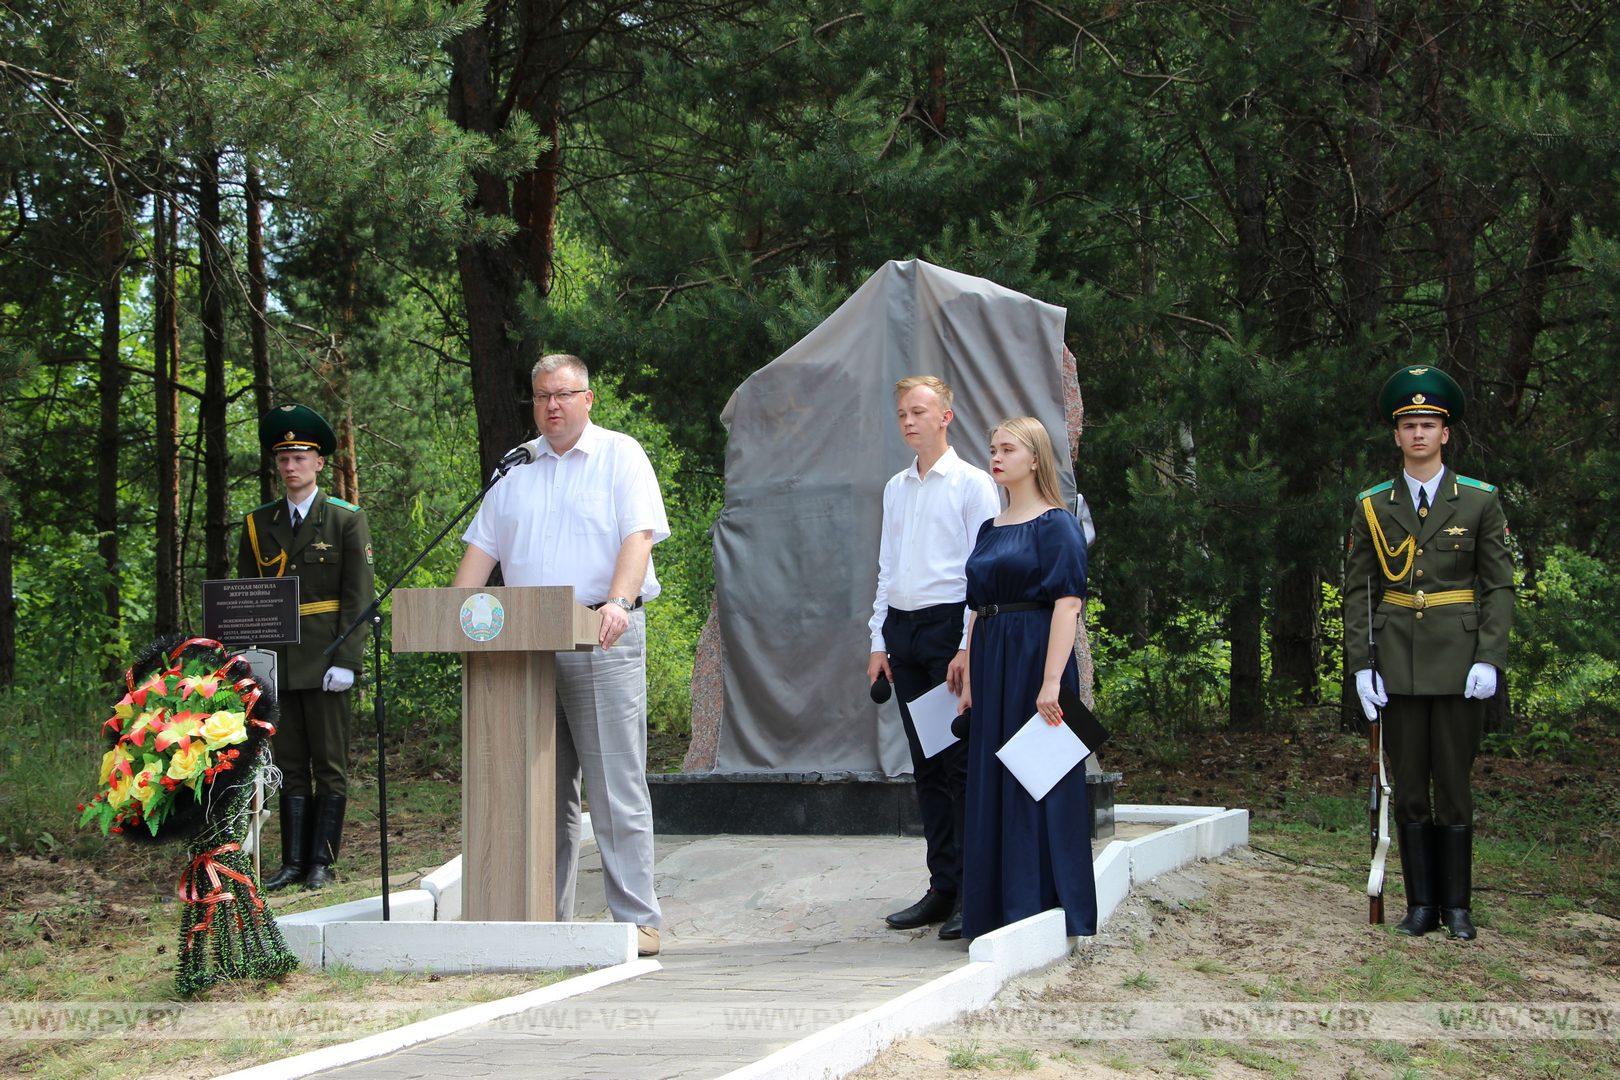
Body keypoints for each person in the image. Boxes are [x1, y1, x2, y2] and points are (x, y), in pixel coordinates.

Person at [452, 354, 668, 957]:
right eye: (543, 396)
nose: (552, 406)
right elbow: (478, 555)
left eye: (564, 394)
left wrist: (619, 603)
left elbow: (639, 537)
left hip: (602, 634)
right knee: (541, 794)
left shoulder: (620, 455)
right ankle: (547, 919)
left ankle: (637, 920)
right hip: (524, 652)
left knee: (614, 786)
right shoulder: (515, 468)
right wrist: (450, 617)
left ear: (588, 399)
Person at [1343, 365, 1514, 941]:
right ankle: (1421, 907)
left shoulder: (1479, 502)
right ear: (1396, 436)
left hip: (1461, 663)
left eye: (1429, 424)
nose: (1418, 434)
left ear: (1446, 434)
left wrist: (1489, 656)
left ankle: (1457, 908)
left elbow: (1498, 587)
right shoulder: (1373, 504)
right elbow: (1359, 591)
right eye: (1409, 425)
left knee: (1455, 787)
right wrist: (1362, 665)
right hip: (1397, 665)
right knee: (1410, 787)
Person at [868, 376, 1001, 941]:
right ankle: (942, 885)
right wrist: (878, 640)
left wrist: (969, 646)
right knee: (926, 765)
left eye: (918, 411)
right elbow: (887, 567)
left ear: (946, 416)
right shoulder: (896, 487)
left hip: (951, 629)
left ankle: (974, 892)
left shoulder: (972, 485)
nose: (908, 421)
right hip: (905, 631)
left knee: (960, 767)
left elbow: (984, 572)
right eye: (901, 413)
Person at [958, 416, 1097, 941]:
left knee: (1038, 779)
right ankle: (994, 911)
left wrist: (1050, 683)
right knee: (993, 779)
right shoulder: (989, 529)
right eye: (992, 448)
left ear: (1034, 458)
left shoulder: (1057, 523)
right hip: (992, 658)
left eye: (1007, 448)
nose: (995, 457)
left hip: (1037, 658)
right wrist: (970, 673)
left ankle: (1036, 907)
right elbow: (977, 606)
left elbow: (1067, 604)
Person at [238, 403, 375, 891]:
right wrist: (248, 664)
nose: (291, 466)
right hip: (276, 663)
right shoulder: (258, 525)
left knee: (330, 765)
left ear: (320, 463)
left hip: (325, 659)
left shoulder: (344, 520)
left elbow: (359, 598)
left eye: (300, 456)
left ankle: (322, 861)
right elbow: (244, 600)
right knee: (288, 765)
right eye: (283, 458)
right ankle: (293, 862)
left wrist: (347, 661)